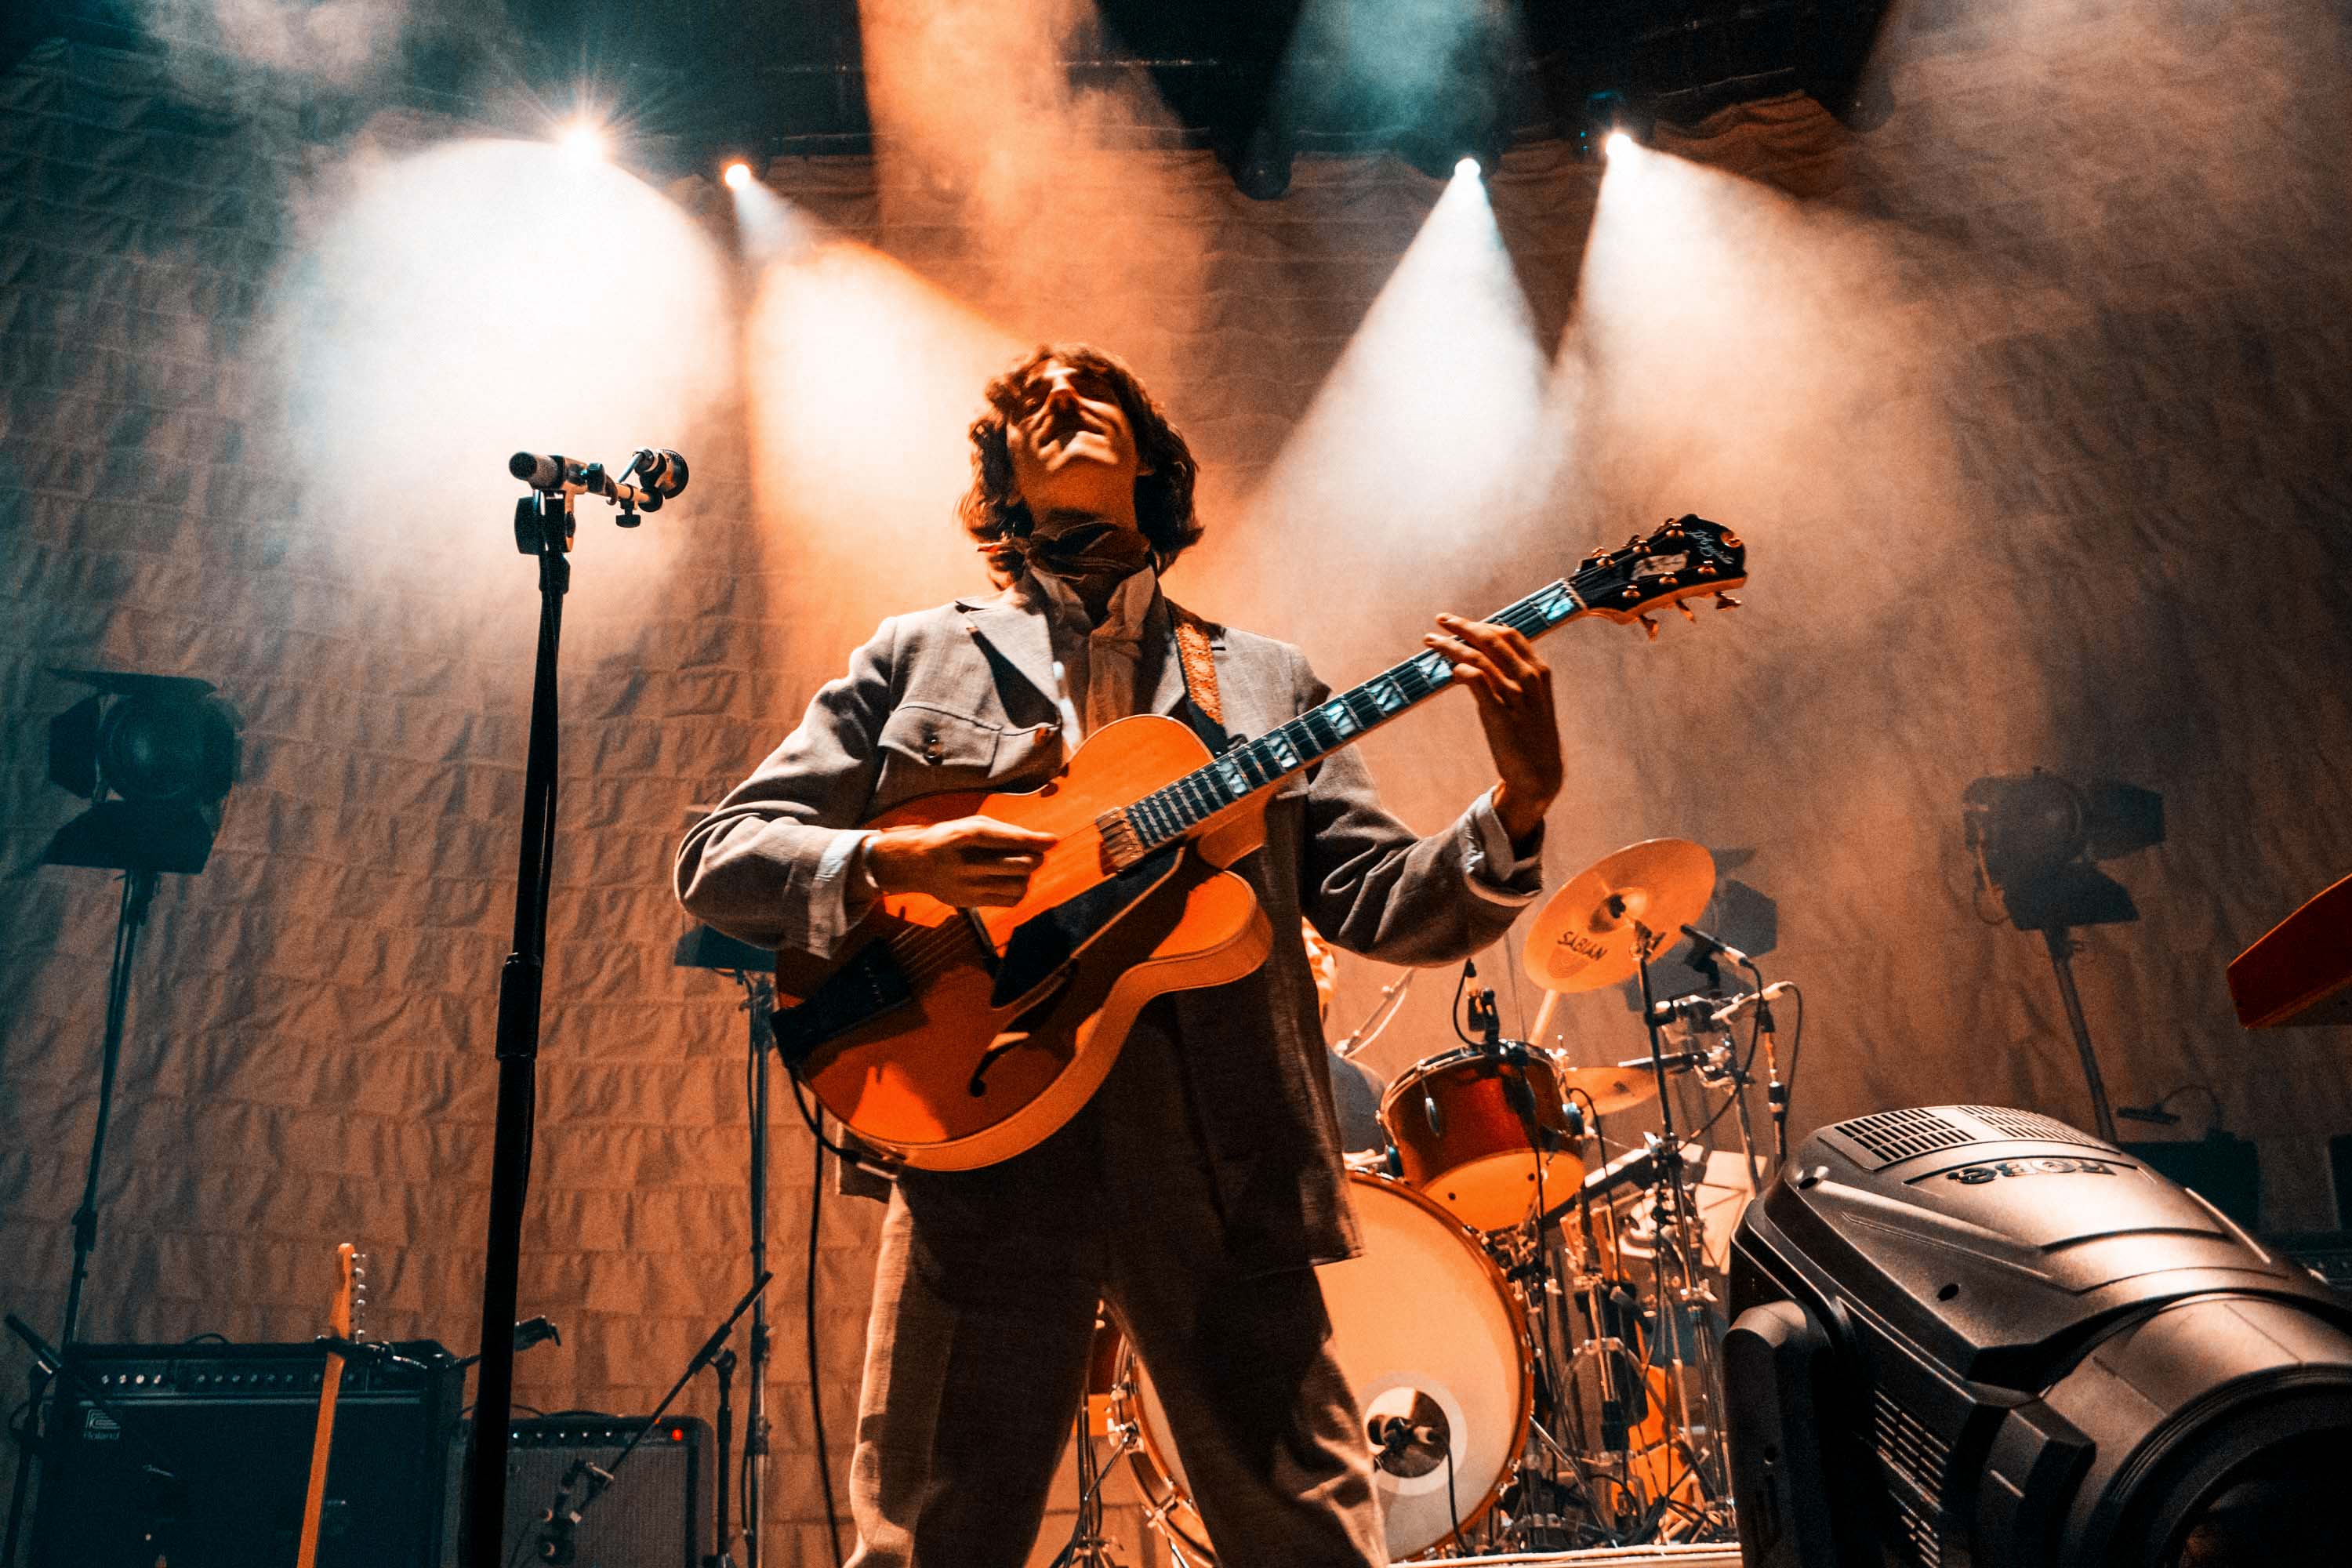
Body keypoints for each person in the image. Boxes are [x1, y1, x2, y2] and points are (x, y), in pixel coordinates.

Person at [676, 343, 1562, 1567]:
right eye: (1032, 401)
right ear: (1003, 481)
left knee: (1307, 1531)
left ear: (1150, 460)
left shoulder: (1264, 682)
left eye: (1092, 393)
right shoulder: (915, 656)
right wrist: (897, 867)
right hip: (978, 1117)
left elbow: (1376, 901)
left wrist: (1517, 802)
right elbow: (720, 857)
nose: (1060, 401)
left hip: (1221, 1133)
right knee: (932, 1540)